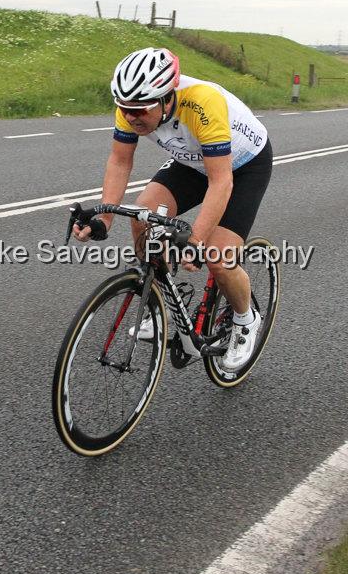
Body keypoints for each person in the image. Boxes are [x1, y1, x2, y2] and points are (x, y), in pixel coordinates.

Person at [73, 47, 273, 370]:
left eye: (140, 110)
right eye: (125, 108)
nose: (131, 116)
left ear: (167, 99)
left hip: (242, 167)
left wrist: (196, 240)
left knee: (218, 258)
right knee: (141, 215)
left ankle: (245, 318)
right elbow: (120, 161)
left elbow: (221, 183)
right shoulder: (130, 109)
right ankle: (162, 305)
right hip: (192, 162)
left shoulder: (202, 103)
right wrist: (104, 219)